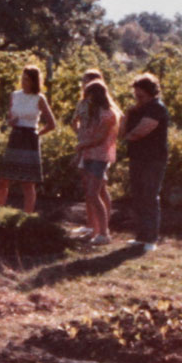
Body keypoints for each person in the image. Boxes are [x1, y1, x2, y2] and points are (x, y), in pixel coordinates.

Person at [0, 65, 57, 213]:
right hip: (15, 136)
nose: (24, 82)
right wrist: (10, 122)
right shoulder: (14, 95)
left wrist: (38, 134)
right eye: (22, 78)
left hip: (30, 138)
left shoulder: (39, 98)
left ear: (34, 81)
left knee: (28, 182)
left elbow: (52, 123)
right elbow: (10, 118)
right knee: (4, 179)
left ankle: (27, 216)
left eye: (27, 80)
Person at [72, 79, 123, 244]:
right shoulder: (93, 113)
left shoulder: (108, 114)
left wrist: (81, 145)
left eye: (89, 96)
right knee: (91, 193)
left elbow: (100, 139)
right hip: (88, 155)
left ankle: (104, 233)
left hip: (100, 157)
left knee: (94, 193)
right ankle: (95, 230)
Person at [124, 72, 170, 252]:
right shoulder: (138, 109)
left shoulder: (156, 108)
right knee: (138, 196)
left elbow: (140, 131)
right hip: (137, 157)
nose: (137, 97)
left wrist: (128, 135)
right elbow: (123, 128)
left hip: (154, 159)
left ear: (150, 92)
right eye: (135, 94)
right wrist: (128, 115)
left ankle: (151, 238)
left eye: (140, 94)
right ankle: (141, 236)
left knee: (150, 197)